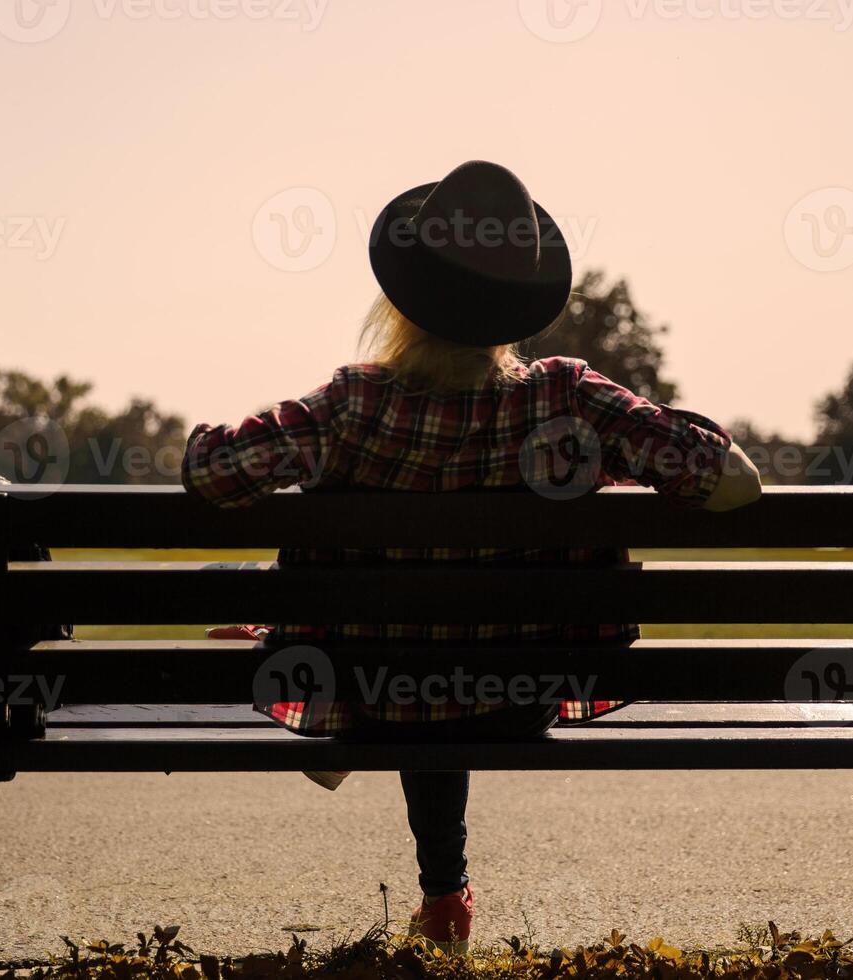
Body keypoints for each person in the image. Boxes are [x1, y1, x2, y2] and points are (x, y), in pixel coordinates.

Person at [182, 161, 763, 953]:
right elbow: (734, 486)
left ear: (405, 293)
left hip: (371, 684)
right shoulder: (566, 395)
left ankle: (289, 655)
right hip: (519, 688)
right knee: (445, 651)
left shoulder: (354, 401)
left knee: (343, 627)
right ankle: (442, 896)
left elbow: (211, 473)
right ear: (517, 302)